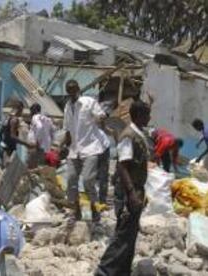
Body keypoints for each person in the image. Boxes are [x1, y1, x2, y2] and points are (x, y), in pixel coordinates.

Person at [96, 101, 151, 276]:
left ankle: (121, 271)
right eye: (147, 114)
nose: (149, 118)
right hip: (129, 191)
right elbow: (122, 165)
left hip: (136, 189)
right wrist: (132, 194)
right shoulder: (129, 135)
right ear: (138, 116)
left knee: (130, 234)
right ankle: (104, 271)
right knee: (123, 234)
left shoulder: (138, 133)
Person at [62, 79, 110, 223]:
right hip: (74, 150)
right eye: (69, 89)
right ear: (67, 91)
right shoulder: (67, 107)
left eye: (74, 88)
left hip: (90, 148)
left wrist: (102, 118)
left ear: (78, 89)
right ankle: (76, 210)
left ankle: (95, 209)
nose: (72, 91)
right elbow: (67, 130)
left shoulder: (88, 102)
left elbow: (100, 115)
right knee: (71, 180)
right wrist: (63, 146)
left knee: (88, 179)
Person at [0, 100, 35, 167]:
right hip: (7, 150)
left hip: (3, 148)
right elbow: (13, 136)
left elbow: (0, 133)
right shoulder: (15, 120)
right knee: (8, 172)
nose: (22, 112)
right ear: (20, 109)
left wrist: (2, 143)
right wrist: (26, 144)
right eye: (22, 109)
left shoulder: (7, 118)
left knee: (5, 171)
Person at [26, 103, 55, 169]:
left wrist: (37, 141)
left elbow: (39, 127)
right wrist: (49, 144)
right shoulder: (47, 119)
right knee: (39, 169)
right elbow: (53, 131)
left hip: (35, 148)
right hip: (44, 149)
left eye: (31, 111)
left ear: (34, 110)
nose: (30, 113)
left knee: (31, 169)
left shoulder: (35, 117)